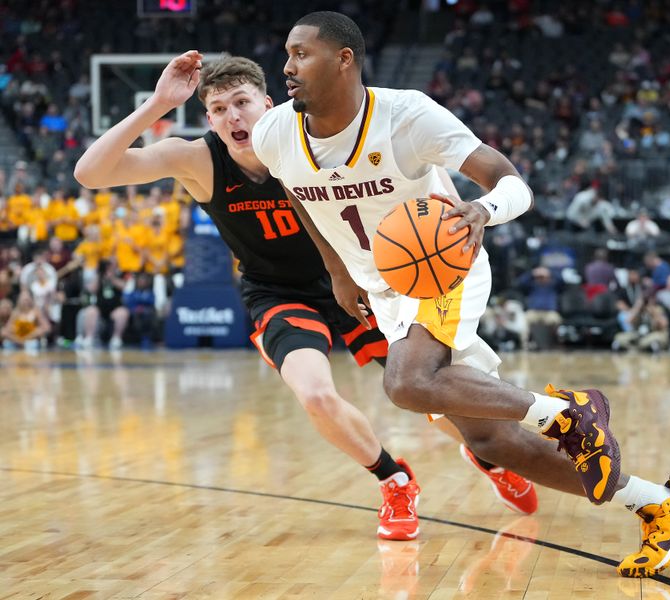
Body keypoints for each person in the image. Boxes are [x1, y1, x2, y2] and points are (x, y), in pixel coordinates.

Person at [252, 11, 670, 577]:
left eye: (301, 54)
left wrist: (482, 210)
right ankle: (661, 503)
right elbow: (299, 197)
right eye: (288, 54)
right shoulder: (274, 133)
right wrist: (339, 272)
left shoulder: (406, 116)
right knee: (494, 443)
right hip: (385, 291)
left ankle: (567, 414)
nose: (287, 66)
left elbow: (513, 181)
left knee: (407, 382)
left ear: (344, 59)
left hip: (446, 266)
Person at [74, 52, 537, 542]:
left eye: (242, 102)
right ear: (207, 118)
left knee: (432, 399)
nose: (233, 117)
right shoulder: (197, 158)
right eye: (219, 109)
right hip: (276, 291)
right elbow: (90, 173)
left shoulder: (308, 136)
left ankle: (485, 455)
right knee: (314, 393)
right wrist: (158, 105)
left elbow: (416, 170)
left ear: (268, 104)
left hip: (359, 281)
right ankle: (394, 479)